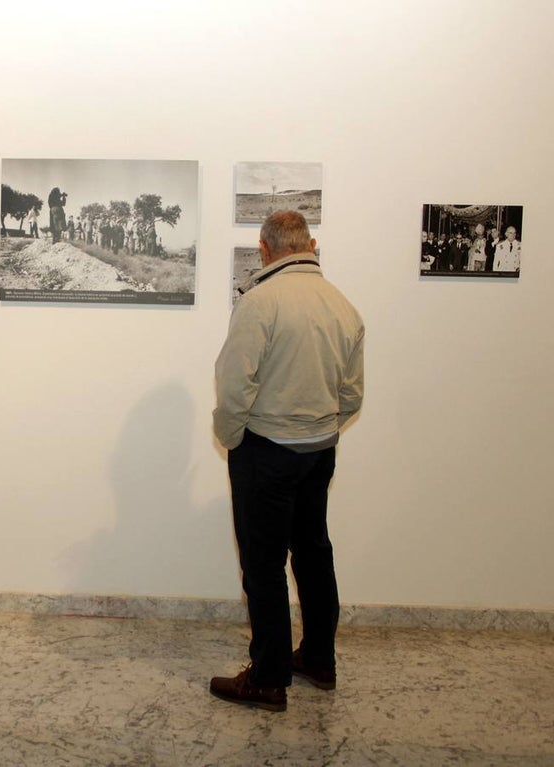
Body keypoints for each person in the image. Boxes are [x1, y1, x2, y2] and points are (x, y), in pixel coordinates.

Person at [210, 210, 364, 712]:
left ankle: (269, 678)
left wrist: (232, 438)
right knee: (314, 553)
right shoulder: (343, 306)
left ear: (264, 248)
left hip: (267, 450)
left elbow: (235, 386)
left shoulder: (261, 302)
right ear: (311, 244)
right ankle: (319, 658)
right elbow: (352, 395)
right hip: (318, 451)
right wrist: (320, 429)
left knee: (264, 564)